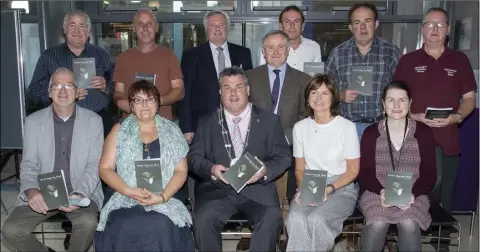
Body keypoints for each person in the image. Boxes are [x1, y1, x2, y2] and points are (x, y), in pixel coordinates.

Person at [188, 67, 291, 252]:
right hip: (218, 191)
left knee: (271, 218)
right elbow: (194, 158)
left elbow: (283, 156)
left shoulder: (269, 120)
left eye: (239, 86)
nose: (233, 93)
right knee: (203, 220)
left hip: (258, 190)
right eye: (227, 87)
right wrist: (211, 169)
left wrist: (265, 170)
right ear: (220, 92)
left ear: (248, 90)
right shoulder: (207, 122)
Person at [2, 68, 104, 252]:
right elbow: (29, 164)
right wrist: (32, 191)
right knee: (11, 230)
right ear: (49, 92)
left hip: (81, 191)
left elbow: (94, 165)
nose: (63, 91)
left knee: (88, 221)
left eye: (68, 86)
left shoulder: (93, 121)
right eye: (57, 85)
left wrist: (80, 194)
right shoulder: (33, 122)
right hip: (44, 192)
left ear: (77, 92)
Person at [94, 80, 194, 251]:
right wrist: (128, 191)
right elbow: (105, 169)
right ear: (131, 106)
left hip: (166, 194)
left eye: (150, 99)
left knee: (161, 223)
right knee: (123, 223)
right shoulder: (119, 130)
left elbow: (180, 171)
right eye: (138, 100)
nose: (144, 104)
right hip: (125, 195)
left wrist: (162, 197)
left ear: (158, 103)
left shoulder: (172, 130)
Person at [247, 29, 311, 249]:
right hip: (255, 147)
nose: (275, 52)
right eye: (270, 47)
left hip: (291, 146)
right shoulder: (249, 77)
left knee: (288, 197)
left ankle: (285, 237)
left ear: (288, 50)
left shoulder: (303, 80)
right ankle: (263, 235)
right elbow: (242, 111)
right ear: (263, 52)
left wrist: (286, 135)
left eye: (280, 47)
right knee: (261, 197)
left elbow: (306, 113)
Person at [358, 81, 437, 251]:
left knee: (408, 223)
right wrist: (382, 191)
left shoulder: (423, 132)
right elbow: (364, 172)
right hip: (376, 193)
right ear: (383, 103)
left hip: (414, 193)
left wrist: (412, 195)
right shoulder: (371, 133)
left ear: (410, 103)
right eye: (390, 100)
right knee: (378, 223)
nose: (396, 105)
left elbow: (429, 173)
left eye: (402, 100)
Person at [285, 74, 360, 251]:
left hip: (341, 187)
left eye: (324, 93)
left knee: (317, 219)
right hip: (311, 184)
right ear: (307, 98)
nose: (318, 98)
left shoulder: (347, 127)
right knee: (295, 218)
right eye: (314, 93)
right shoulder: (300, 128)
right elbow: (300, 168)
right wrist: (304, 188)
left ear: (333, 97)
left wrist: (329, 188)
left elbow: (352, 171)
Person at [27, 10, 113, 137]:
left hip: (98, 121)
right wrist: (63, 94)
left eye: (82, 26)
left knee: (99, 157)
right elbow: (33, 92)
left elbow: (114, 88)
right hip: (60, 123)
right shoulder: (49, 56)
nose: (77, 31)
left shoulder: (101, 55)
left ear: (88, 30)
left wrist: (105, 87)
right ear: (64, 29)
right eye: (72, 25)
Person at [325, 2, 402, 137]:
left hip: (381, 128)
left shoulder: (391, 51)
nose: (363, 27)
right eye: (357, 22)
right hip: (346, 128)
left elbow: (402, 88)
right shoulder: (337, 54)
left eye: (367, 21)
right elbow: (324, 91)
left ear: (376, 24)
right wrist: (341, 96)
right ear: (350, 27)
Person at [178, 9, 253, 145]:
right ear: (206, 29)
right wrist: (186, 127)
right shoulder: (192, 56)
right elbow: (185, 93)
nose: (217, 29)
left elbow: (249, 89)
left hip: (239, 122)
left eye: (221, 25)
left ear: (227, 28)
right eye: (213, 25)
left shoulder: (243, 53)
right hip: (204, 124)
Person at [113, 8, 184, 121]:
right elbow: (118, 92)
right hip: (131, 127)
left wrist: (156, 101)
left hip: (162, 126)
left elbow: (179, 91)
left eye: (149, 23)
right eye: (140, 23)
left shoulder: (169, 56)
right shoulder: (123, 58)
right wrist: (121, 102)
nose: (145, 28)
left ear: (156, 28)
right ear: (134, 28)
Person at [259, 5, 322, 72]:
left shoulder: (314, 47)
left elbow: (316, 78)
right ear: (280, 26)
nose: (292, 26)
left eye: (296, 21)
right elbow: (262, 75)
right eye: (287, 21)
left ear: (302, 26)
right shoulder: (270, 47)